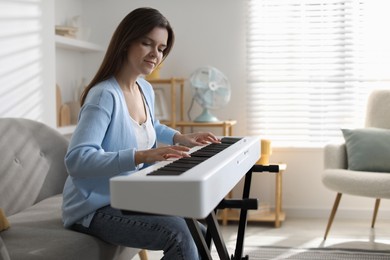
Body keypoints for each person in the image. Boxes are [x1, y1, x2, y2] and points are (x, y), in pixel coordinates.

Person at [61, 7, 220, 260]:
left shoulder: (144, 88)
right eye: (147, 43)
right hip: (94, 207)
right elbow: (77, 159)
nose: (155, 54)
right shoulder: (104, 95)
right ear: (126, 43)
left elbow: (151, 125)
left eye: (161, 48)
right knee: (179, 235)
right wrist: (141, 155)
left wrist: (180, 138)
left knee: (199, 230)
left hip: (129, 197)